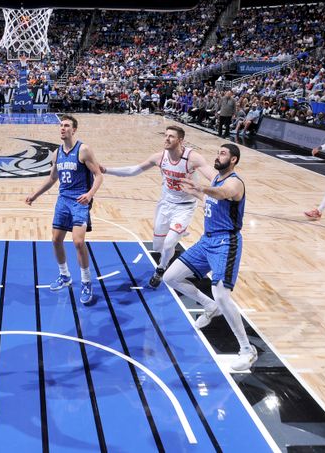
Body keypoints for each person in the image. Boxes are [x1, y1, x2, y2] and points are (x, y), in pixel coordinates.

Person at [162, 144, 257, 372]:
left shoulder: (234, 183)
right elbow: (211, 201)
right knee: (170, 277)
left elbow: (223, 194)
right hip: (207, 241)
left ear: (233, 160)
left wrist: (201, 188)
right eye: (218, 152)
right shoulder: (216, 180)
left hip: (226, 242)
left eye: (223, 153)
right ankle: (209, 307)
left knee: (222, 294)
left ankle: (247, 349)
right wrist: (191, 190)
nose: (218, 156)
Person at [101, 125, 215, 288]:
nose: (167, 139)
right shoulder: (160, 158)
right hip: (165, 205)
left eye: (171, 136)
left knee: (169, 244)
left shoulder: (192, 158)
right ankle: (178, 233)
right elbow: (134, 170)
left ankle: (160, 270)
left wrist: (209, 196)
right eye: (166, 135)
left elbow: (214, 178)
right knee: (158, 247)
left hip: (185, 207)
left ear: (180, 140)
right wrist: (106, 170)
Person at [26, 114, 104, 305]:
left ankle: (86, 281)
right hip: (63, 200)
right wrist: (35, 195)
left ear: (74, 129)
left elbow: (99, 175)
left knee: (78, 242)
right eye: (61, 125)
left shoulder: (83, 150)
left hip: (79, 200)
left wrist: (90, 194)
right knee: (55, 239)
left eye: (66, 125)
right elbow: (53, 178)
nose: (62, 128)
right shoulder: (57, 153)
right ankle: (65, 275)